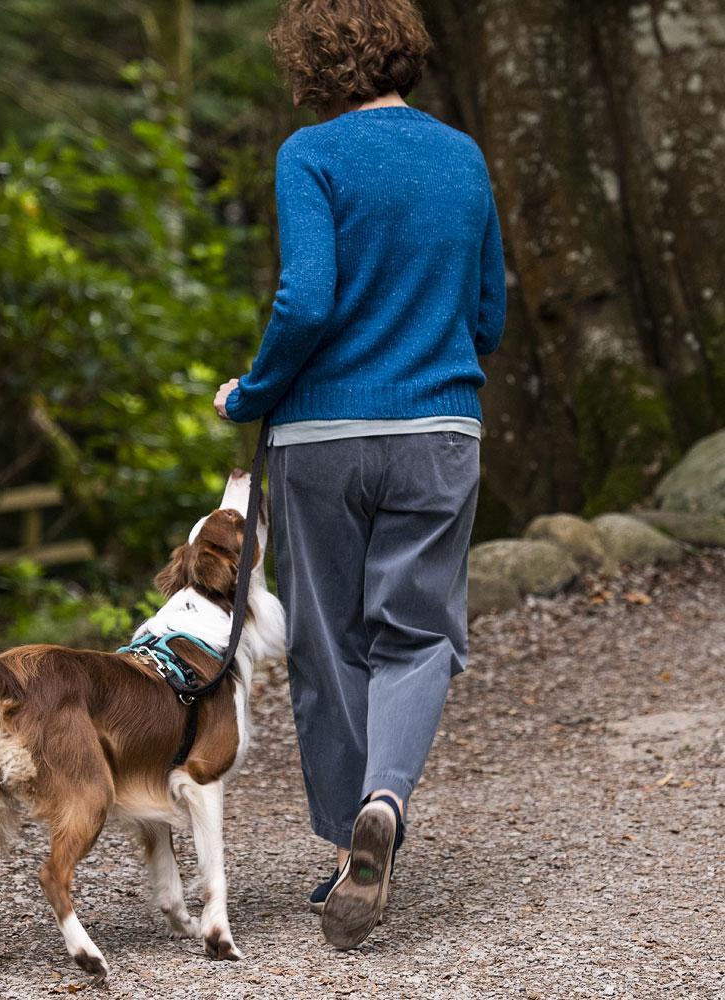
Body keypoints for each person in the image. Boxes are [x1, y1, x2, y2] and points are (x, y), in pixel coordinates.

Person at [213, 0, 506, 950]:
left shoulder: (310, 154)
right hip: (439, 426)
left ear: (309, 63)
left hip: (321, 438)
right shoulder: (462, 156)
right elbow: (489, 310)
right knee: (417, 632)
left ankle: (351, 841)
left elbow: (305, 299)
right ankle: (387, 800)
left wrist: (250, 392)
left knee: (329, 642)